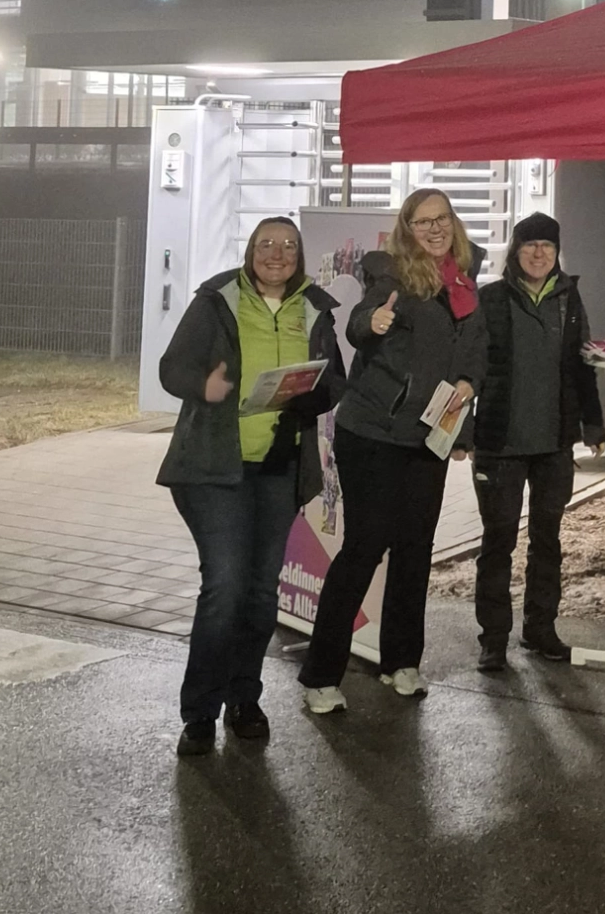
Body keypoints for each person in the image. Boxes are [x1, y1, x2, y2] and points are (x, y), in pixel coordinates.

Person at [157, 216, 345, 757]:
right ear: (250, 251)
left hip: (280, 467)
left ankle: (245, 699)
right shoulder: (217, 298)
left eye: (288, 246)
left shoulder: (315, 307)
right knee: (225, 587)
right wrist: (206, 386)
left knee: (263, 593)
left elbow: (334, 380)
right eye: (266, 244)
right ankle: (199, 711)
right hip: (217, 468)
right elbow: (173, 369)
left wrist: (316, 396)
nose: (277, 254)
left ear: (300, 255)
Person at [297, 188, 486, 713]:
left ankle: (401, 662)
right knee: (363, 550)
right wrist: (371, 323)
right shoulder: (392, 276)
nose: (434, 228)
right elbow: (360, 321)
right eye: (422, 221)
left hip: (429, 438)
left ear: (453, 223)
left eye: (441, 218)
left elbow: (477, 353)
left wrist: (470, 383)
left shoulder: (465, 285)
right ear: (407, 228)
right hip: (374, 434)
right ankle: (320, 676)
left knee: (415, 552)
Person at [467, 211, 605, 670]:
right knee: (497, 540)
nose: (540, 253)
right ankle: (493, 637)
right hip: (499, 443)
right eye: (531, 245)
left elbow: (583, 364)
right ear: (515, 250)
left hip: (554, 443)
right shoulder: (489, 299)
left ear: (557, 251)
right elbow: (470, 367)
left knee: (547, 540)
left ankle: (540, 628)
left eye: (548, 245)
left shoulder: (569, 298)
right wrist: (461, 431)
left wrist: (593, 424)